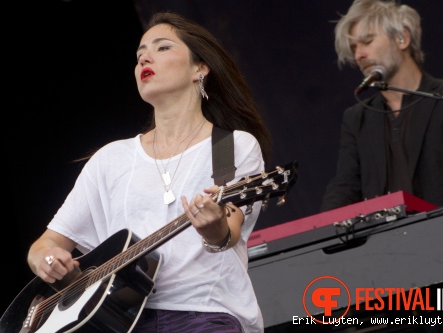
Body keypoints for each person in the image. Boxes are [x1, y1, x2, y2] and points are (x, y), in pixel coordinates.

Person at [26, 11, 272, 333]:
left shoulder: (230, 146)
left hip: (204, 313)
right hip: (118, 321)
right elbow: (42, 246)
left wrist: (214, 231)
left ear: (200, 67)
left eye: (163, 48)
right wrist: (48, 261)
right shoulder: (111, 158)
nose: (145, 59)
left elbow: (229, 230)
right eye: (139, 54)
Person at [321, 0, 443, 212]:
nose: (358, 55)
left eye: (367, 41)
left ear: (402, 39)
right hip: (385, 243)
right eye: (354, 48)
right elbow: (345, 186)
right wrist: (320, 230)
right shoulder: (357, 118)